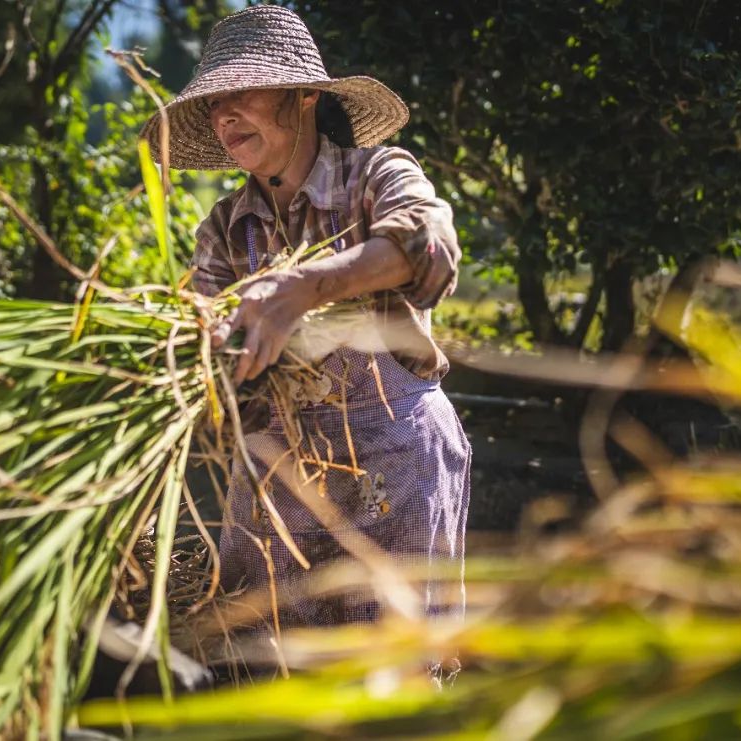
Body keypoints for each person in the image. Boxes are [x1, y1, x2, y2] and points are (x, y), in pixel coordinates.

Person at [142, 4, 470, 629]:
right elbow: (216, 341)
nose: (223, 113)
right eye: (214, 101)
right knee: (270, 661)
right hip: (278, 468)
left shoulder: (376, 174)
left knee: (384, 670)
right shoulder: (223, 228)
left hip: (395, 455)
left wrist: (303, 286)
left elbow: (429, 247)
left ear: (305, 97)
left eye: (242, 91)